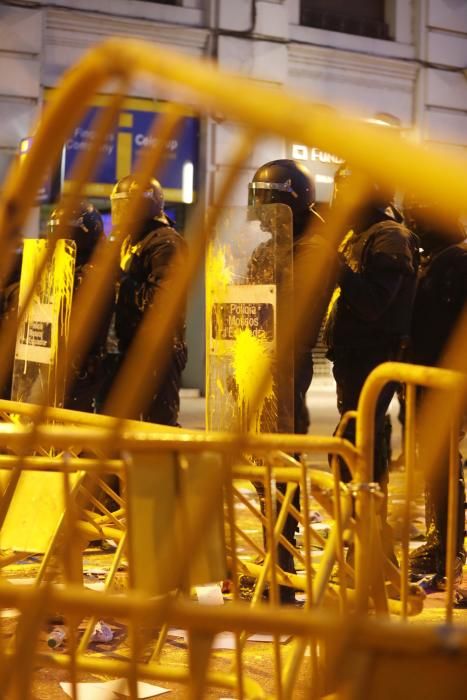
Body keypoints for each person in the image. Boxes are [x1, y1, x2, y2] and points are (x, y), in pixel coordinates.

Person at [247, 159, 335, 603]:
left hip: (286, 367)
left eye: (270, 204)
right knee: (261, 467)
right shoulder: (273, 246)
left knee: (281, 467)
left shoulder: (312, 247)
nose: (262, 216)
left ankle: (282, 569)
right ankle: (270, 561)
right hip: (255, 363)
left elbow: (295, 313)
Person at [324, 163, 419, 559]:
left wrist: (336, 266)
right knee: (350, 447)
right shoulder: (361, 235)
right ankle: (362, 537)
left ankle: (374, 545)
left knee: (361, 447)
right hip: (353, 357)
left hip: (373, 358)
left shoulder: (389, 237)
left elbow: (373, 305)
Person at [403, 193, 466, 586]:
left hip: (447, 377)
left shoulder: (454, 260)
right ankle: (441, 542)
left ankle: (448, 550)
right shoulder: (442, 256)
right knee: (438, 463)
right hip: (433, 375)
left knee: (443, 463)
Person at [109, 175, 187, 426]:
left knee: (157, 428)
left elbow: (161, 302)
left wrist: (120, 280)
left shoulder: (166, 243)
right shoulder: (133, 241)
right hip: (132, 346)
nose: (120, 213)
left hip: (159, 351)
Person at [47, 200, 111, 412]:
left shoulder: (93, 273)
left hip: (83, 364)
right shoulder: (61, 268)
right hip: (55, 359)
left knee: (76, 427)